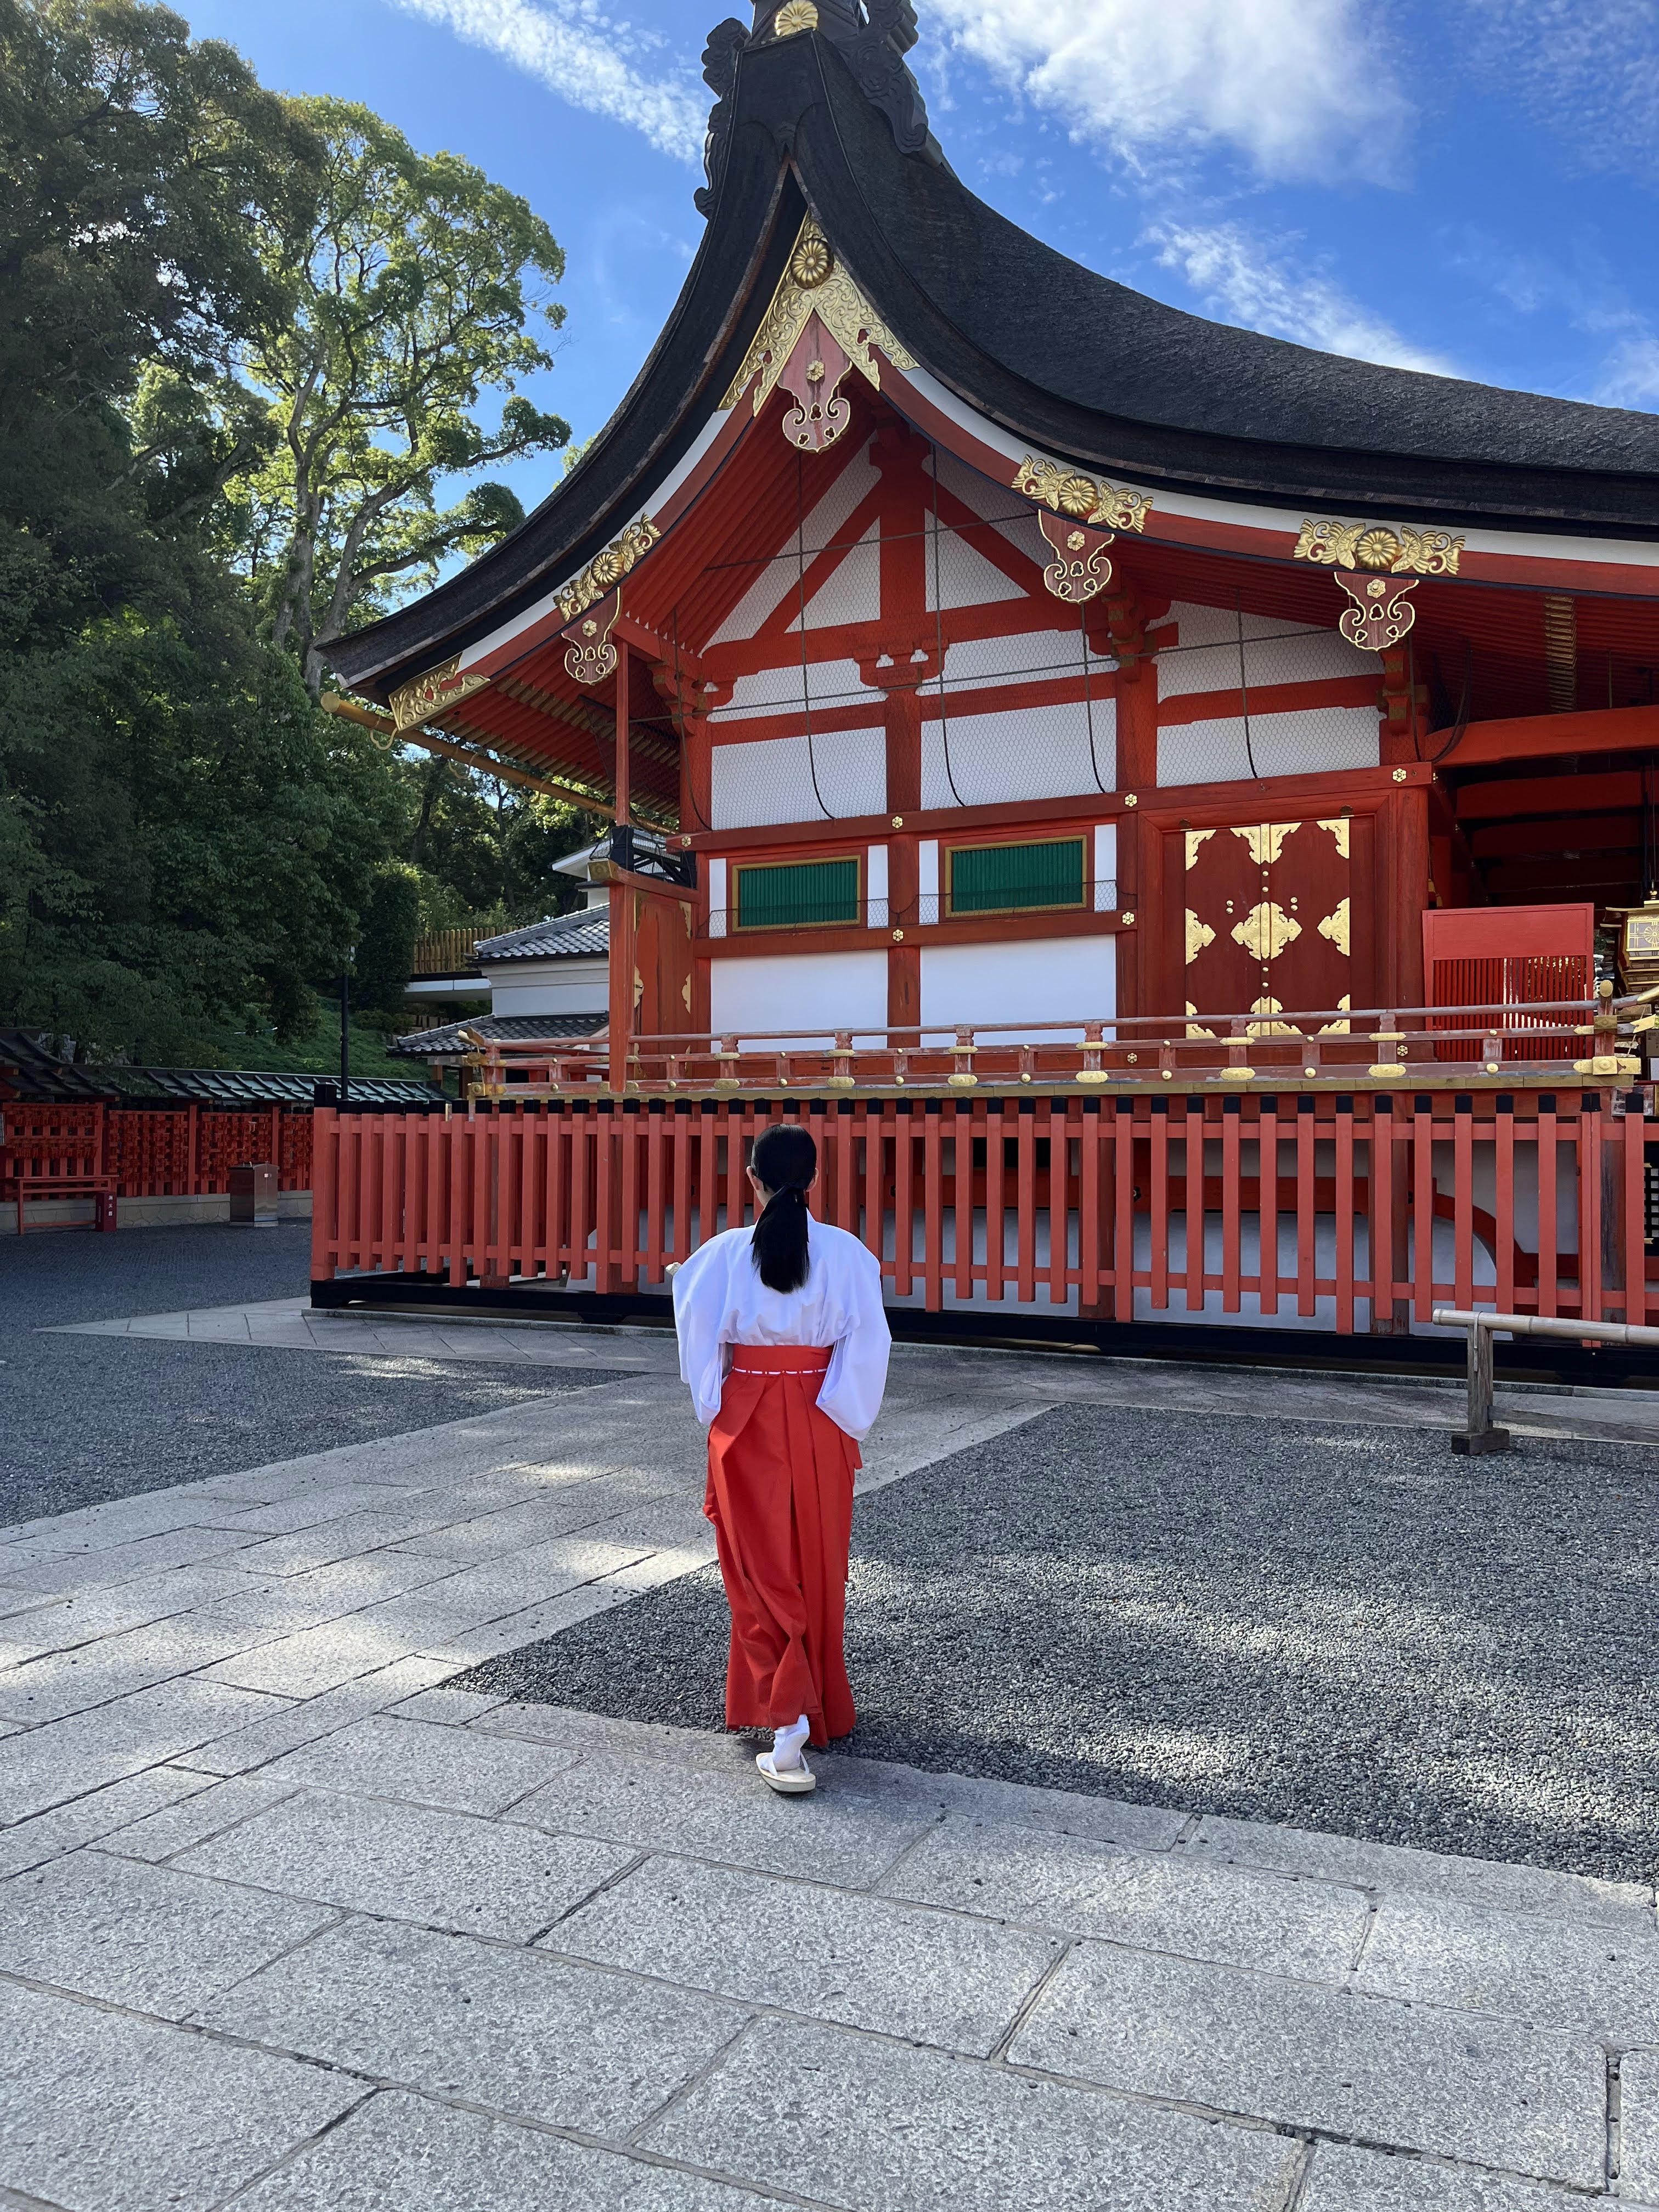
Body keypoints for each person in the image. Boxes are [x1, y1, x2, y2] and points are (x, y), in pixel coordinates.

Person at [672, 1121, 890, 1795]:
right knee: (815, 1563)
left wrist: (720, 1408)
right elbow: (868, 1345)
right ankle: (812, 1705)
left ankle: (786, 1717)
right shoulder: (848, 1254)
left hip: (748, 1414)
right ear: (815, 1180)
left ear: (751, 1180)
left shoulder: (720, 1254)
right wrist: (840, 1413)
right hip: (821, 1413)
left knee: (756, 1568)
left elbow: (699, 1345)